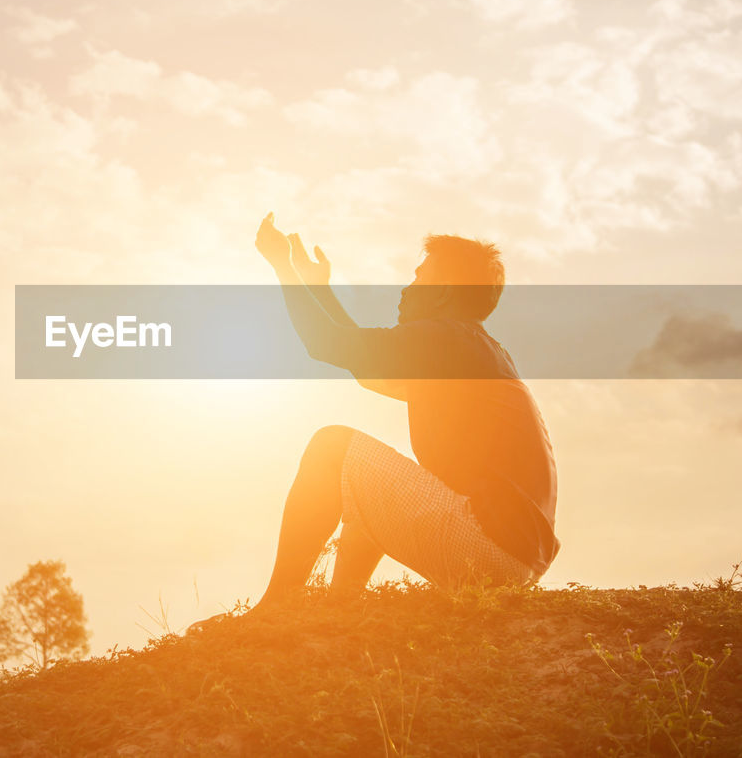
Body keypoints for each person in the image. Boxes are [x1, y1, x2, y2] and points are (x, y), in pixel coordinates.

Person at [209, 213, 561, 622]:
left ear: (443, 289)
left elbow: (327, 344)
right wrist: (317, 287)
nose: (405, 290)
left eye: (417, 278)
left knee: (332, 447)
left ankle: (275, 609)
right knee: (361, 480)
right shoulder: (472, 348)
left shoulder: (445, 336)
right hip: (514, 562)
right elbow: (365, 366)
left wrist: (284, 268)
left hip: (486, 548)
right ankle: (340, 609)